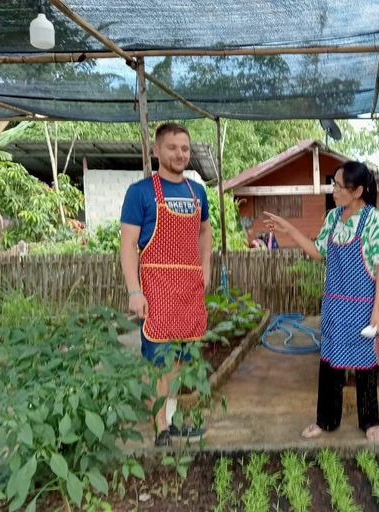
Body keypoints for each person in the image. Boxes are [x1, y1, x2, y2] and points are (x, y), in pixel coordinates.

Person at [263, 161, 379, 441]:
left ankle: (370, 421)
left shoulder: (373, 221)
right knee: (330, 362)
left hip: (362, 305)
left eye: (338, 186)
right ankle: (326, 420)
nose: (333, 190)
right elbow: (318, 251)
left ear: (357, 190)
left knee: (364, 365)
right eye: (333, 184)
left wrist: (377, 311)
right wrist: (287, 229)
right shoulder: (333, 218)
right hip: (334, 304)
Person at [120, 122, 212, 446]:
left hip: (188, 290)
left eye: (185, 148)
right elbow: (128, 244)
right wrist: (135, 290)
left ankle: (170, 420)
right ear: (156, 150)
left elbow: (205, 232)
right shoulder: (141, 192)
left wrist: (205, 269)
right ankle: (160, 426)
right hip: (156, 289)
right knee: (158, 362)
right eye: (172, 147)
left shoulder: (197, 191)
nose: (180, 154)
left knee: (178, 362)